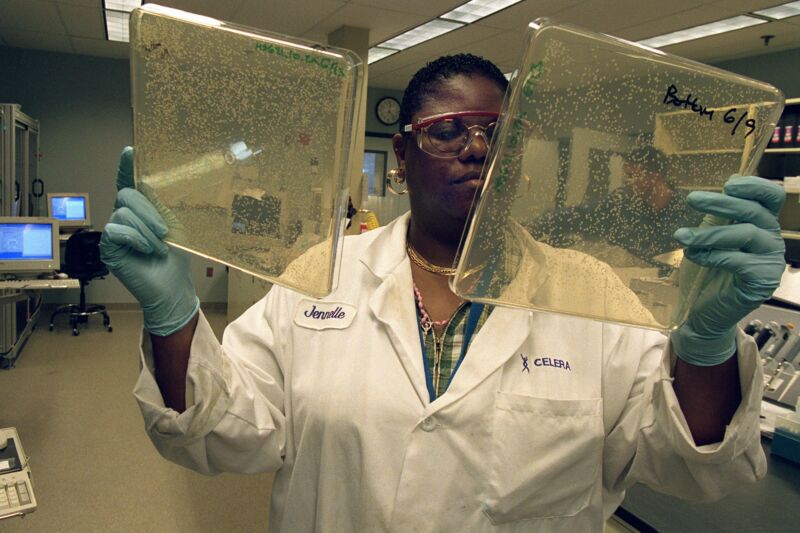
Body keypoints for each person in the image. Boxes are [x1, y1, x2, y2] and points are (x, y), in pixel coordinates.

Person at [101, 54, 786, 532]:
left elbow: (687, 462)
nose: (476, 147)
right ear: (401, 158)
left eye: (498, 133)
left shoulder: (589, 295)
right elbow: (223, 433)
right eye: (448, 131)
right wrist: (174, 314)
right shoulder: (323, 277)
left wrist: (704, 346)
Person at [529, 146, 704, 265]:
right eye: (625, 175)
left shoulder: (693, 209)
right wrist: (531, 229)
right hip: (627, 291)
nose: (625, 181)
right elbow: (576, 215)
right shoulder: (620, 203)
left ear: (655, 176)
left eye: (631, 175)